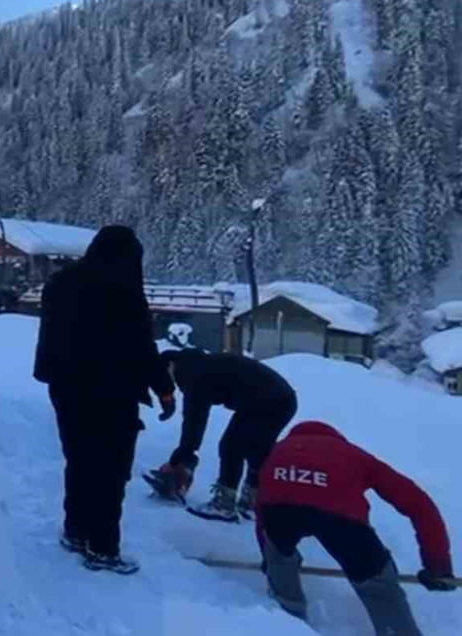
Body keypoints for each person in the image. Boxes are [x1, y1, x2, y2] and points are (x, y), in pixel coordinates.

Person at [34, 225, 175, 574]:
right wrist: (164, 388)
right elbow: (141, 346)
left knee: (80, 460)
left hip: (66, 389)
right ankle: (102, 547)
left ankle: (76, 531)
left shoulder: (60, 283)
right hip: (111, 392)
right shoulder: (122, 289)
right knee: (110, 471)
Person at [257, 421, 455, 635]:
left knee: (279, 556)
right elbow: (420, 505)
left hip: (277, 511)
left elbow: (261, 513)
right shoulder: (354, 455)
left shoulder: (276, 450)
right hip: (341, 520)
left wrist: (270, 560)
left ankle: (285, 623)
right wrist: (438, 566)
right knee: (377, 584)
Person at [148, 349, 298, 522]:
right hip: (284, 400)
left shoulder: (193, 373)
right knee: (257, 449)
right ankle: (252, 503)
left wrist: (178, 460)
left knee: (231, 447)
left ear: (170, 365)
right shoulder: (203, 363)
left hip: (265, 401)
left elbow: (194, 423)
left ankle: (224, 504)